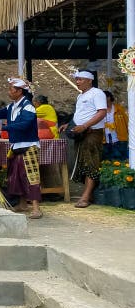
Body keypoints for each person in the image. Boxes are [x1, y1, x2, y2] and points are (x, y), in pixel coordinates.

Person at [0, 78, 43, 219]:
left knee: (31, 177)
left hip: (28, 145)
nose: (9, 92)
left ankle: (36, 208)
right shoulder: (12, 106)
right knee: (17, 176)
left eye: (11, 89)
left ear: (19, 91)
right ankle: (23, 204)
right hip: (16, 145)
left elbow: (25, 124)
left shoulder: (28, 106)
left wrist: (4, 127)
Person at [60, 71, 107, 208]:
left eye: (80, 79)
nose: (77, 82)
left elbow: (102, 112)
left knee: (90, 163)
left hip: (92, 133)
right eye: (77, 79)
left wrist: (85, 126)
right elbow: (80, 113)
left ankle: (85, 197)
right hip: (80, 133)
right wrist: (69, 124)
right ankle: (89, 194)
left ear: (89, 80)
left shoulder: (97, 93)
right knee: (82, 163)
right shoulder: (80, 96)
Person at [102, 90, 128, 160]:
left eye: (102, 97)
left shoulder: (119, 109)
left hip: (120, 139)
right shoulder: (100, 111)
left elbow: (127, 122)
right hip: (106, 140)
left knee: (122, 160)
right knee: (107, 161)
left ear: (109, 98)